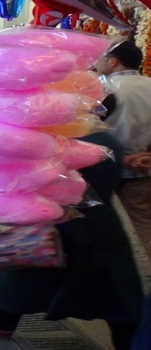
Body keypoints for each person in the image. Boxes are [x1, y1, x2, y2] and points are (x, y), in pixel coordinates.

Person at [0, 132, 144, 350]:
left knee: (114, 285)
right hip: (77, 221)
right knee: (25, 268)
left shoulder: (77, 142)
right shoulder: (99, 139)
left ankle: (133, 340)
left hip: (78, 224)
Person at [95, 40, 151, 257]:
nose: (96, 62)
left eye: (100, 57)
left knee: (99, 221)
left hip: (107, 167)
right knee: (145, 220)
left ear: (113, 61)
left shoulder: (105, 90)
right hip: (143, 165)